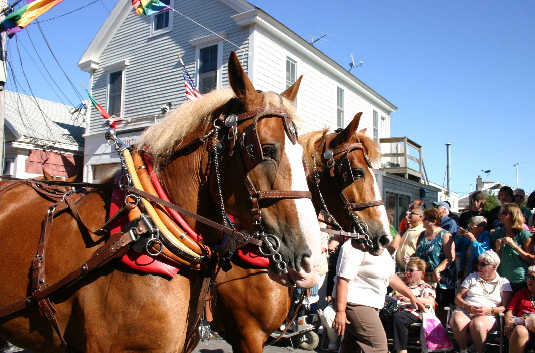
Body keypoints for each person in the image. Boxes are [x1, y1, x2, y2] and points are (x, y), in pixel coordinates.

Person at [332, 239, 426, 353]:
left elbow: (390, 276)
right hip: (355, 302)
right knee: (378, 348)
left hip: (371, 303)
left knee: (350, 347)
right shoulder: (354, 245)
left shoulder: (380, 248)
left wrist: (412, 296)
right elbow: (343, 278)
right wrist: (340, 311)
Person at [450, 250, 512, 353]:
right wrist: (468, 307)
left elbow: (504, 307)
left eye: (483, 264)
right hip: (467, 310)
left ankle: (480, 350)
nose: (479, 267)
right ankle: (463, 350)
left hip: (488, 315)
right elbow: (458, 298)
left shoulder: (503, 282)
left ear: (494, 266)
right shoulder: (472, 277)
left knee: (477, 324)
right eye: (478, 263)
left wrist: (489, 310)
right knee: (457, 320)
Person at [414, 208, 456, 311]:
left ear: (433, 221)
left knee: (440, 307)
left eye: (425, 219)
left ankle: (439, 327)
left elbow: (450, 257)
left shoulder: (445, 235)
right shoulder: (422, 235)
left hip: (440, 279)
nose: (422, 221)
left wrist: (437, 270)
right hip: (424, 277)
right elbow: (418, 252)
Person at [391, 257, 436, 353]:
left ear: (420, 273)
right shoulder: (403, 286)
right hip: (398, 310)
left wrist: (411, 299)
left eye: (411, 270)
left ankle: (402, 350)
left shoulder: (425, 287)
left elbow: (431, 301)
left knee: (399, 317)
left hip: (415, 312)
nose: (408, 273)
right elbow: (391, 296)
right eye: (407, 270)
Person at [492, 203, 534, 293]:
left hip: (520, 279)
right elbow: (495, 259)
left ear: (513, 215)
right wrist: (498, 248)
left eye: (504, 212)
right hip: (502, 278)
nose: (500, 215)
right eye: (500, 212)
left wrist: (514, 246)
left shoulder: (524, 234)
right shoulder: (498, 233)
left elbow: (531, 259)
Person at [504, 265, 535, 353]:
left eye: (533, 277)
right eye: (528, 277)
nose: (529, 280)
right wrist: (509, 321)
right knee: (520, 330)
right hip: (523, 327)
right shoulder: (521, 294)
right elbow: (509, 311)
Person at [389, 206, 425, 271]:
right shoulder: (410, 230)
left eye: (412, 213)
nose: (409, 215)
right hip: (402, 269)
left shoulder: (422, 231)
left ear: (420, 217)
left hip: (413, 270)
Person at [456, 216, 491, 280]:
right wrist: (459, 237)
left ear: (481, 229)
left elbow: (483, 255)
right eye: (469, 226)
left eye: (472, 227)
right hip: (465, 272)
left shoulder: (485, 238)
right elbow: (458, 247)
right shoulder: (467, 238)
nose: (469, 229)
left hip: (477, 273)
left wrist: (474, 241)